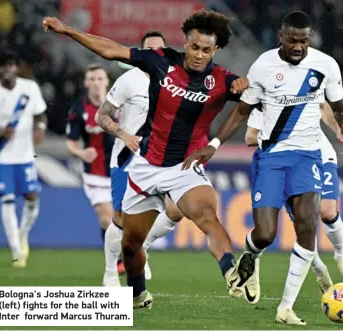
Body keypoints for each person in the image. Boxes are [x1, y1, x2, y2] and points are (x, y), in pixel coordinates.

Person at [42, 10, 252, 309]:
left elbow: (249, 104)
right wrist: (68, 31)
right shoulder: (161, 60)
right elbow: (111, 48)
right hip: (146, 166)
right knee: (130, 245)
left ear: (215, 50)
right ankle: (138, 294)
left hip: (185, 167)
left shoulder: (222, 80)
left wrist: (216, 141)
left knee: (207, 216)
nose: (198, 55)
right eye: (194, 47)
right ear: (185, 42)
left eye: (206, 50)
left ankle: (231, 271)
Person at [182, 11, 343, 325]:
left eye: (304, 41)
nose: (299, 47)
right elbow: (240, 112)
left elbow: (340, 105)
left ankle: (286, 308)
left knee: (307, 225)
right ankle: (251, 254)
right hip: (271, 159)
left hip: (307, 157)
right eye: (293, 40)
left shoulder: (326, 65)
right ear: (281, 36)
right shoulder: (263, 66)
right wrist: (214, 145)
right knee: (265, 234)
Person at [96, 30, 184, 287]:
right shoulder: (128, 80)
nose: (156, 54)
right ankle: (111, 272)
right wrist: (122, 133)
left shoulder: (177, 80)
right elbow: (102, 116)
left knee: (176, 211)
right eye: (150, 49)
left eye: (160, 49)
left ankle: (139, 248)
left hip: (161, 159)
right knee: (121, 219)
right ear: (142, 52)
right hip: (127, 158)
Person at [245, 102, 343, 293]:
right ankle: (319, 269)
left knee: (328, 211)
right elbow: (250, 136)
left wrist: (338, 130)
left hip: (319, 154)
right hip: (284, 160)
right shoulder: (266, 100)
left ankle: (341, 257)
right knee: (302, 223)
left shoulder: (306, 87)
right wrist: (281, 139)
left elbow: (323, 107)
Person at [65, 64, 124, 274]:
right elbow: (70, 142)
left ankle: (130, 256)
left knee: (124, 221)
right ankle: (117, 262)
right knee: (106, 217)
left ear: (107, 82)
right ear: (86, 83)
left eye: (100, 78)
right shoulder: (79, 110)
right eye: (92, 79)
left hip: (122, 172)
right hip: (95, 175)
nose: (96, 83)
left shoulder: (120, 105)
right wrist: (81, 153)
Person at [0, 51, 47, 268]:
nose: (7, 69)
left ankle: (22, 233)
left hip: (25, 155)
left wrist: (40, 128)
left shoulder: (30, 88)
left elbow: (41, 113)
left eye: (11, 65)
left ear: (17, 68)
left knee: (32, 198)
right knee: (7, 200)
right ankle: (16, 249)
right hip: (1, 156)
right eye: (3, 66)